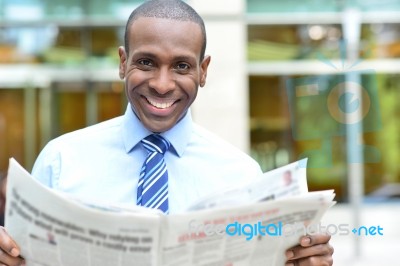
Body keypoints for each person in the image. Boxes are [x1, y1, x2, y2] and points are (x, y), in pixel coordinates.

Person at [0, 0, 333, 265]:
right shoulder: (60, 161)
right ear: (122, 62)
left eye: (182, 66)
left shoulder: (243, 175)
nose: (161, 84)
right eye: (146, 62)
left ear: (203, 72)